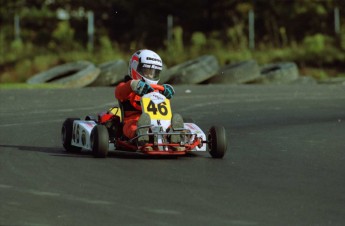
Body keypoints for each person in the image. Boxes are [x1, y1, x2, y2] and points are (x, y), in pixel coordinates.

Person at [115, 49, 183, 144]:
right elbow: (119, 92)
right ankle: (140, 134)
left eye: (154, 72)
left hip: (159, 121)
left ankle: (174, 133)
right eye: (147, 71)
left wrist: (166, 92)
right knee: (131, 127)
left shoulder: (157, 90)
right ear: (135, 67)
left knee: (169, 125)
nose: (150, 75)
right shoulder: (127, 87)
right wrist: (132, 85)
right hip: (135, 120)